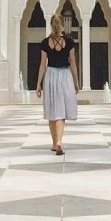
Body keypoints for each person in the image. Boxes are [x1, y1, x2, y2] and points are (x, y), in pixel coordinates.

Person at [36, 13, 79, 154]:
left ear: (51, 25)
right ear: (62, 25)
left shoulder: (45, 42)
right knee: (61, 110)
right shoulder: (69, 42)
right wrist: (76, 82)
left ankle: (55, 143)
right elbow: (72, 63)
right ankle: (59, 141)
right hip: (65, 75)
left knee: (51, 109)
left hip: (51, 75)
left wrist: (38, 84)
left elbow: (43, 64)